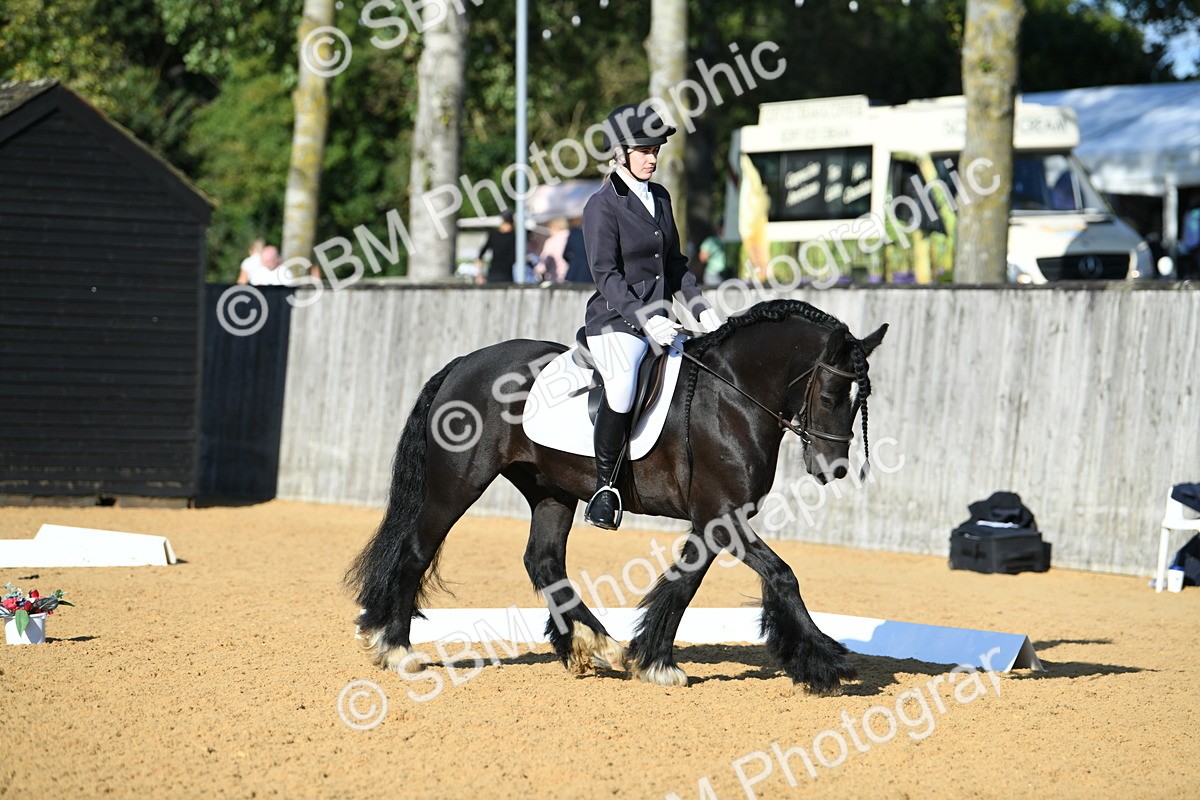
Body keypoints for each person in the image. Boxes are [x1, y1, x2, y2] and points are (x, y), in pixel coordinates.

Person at [580, 102, 723, 530]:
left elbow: (675, 264)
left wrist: (702, 309)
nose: (652, 157)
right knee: (622, 388)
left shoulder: (659, 196)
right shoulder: (601, 206)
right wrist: (646, 318)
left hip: (664, 320)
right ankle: (605, 489)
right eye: (643, 150)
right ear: (620, 153)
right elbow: (606, 275)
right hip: (615, 320)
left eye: (655, 149)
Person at [475, 209, 517, 284]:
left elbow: (481, 253)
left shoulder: (493, 235)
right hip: (506, 273)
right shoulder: (513, 237)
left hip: (493, 272)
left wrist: (479, 273)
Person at [536, 218, 571, 283]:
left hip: (556, 278)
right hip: (571, 277)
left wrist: (537, 270)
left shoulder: (551, 241)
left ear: (554, 227)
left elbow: (544, 263)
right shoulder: (572, 237)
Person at [697, 222, 728, 287]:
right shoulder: (710, 241)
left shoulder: (726, 241)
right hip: (713, 274)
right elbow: (702, 257)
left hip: (725, 274)